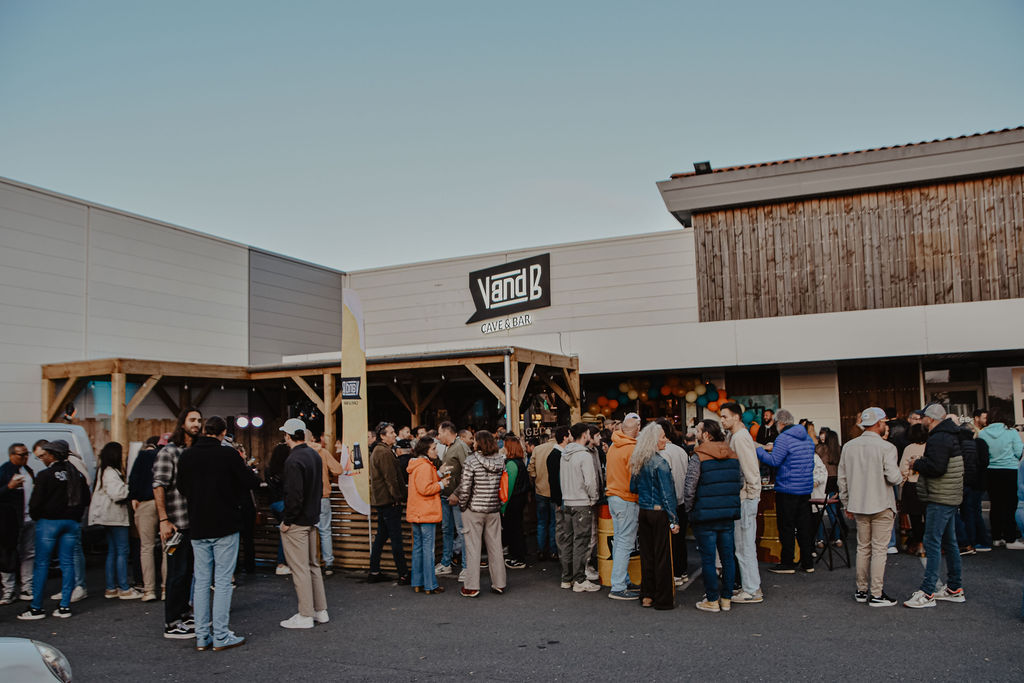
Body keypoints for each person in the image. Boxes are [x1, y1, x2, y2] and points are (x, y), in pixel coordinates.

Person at [176, 416, 258, 650]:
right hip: (225, 523)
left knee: (201, 581)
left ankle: (202, 635)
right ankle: (221, 635)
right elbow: (250, 481)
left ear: (205, 430)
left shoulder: (187, 455)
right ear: (223, 433)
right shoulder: (228, 454)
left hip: (198, 524)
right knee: (222, 582)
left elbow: (181, 487)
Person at [18, 440, 90, 620]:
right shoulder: (76, 474)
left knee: (42, 564)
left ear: (52, 455)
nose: (43, 458)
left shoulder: (45, 475)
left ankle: (36, 607)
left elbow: (35, 503)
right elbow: (86, 499)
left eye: (45, 455)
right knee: (68, 563)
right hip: (71, 522)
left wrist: (37, 516)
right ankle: (64, 606)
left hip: (49, 522)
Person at [837, 407, 902, 607]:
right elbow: (894, 477)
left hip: (858, 504)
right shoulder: (887, 447)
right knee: (879, 550)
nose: (886, 426)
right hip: (882, 503)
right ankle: (876, 593)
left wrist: (846, 503)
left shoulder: (849, 447)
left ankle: (861, 589)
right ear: (879, 423)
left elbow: (842, 479)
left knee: (863, 548)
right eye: (884, 423)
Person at [904, 404, 966, 609]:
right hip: (950, 495)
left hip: (940, 497)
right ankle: (954, 588)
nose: (921, 420)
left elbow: (937, 467)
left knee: (932, 541)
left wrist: (917, 464)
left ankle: (927, 592)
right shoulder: (951, 435)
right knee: (949, 542)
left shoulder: (938, 438)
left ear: (930, 419)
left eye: (923, 417)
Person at [154, 406, 202, 639]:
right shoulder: (169, 452)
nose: (197, 424)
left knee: (188, 571)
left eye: (199, 420)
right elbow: (159, 485)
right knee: (177, 572)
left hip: (194, 521)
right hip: (176, 522)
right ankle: (171, 622)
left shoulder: (194, 452)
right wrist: (164, 519)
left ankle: (183, 613)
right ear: (182, 423)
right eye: (192, 420)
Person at [684, 420, 742, 613]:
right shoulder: (732, 454)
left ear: (706, 435)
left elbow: (690, 487)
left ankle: (712, 599)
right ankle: (726, 598)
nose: (696, 434)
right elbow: (740, 481)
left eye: (698, 431)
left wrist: (689, 510)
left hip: (705, 515)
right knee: (728, 557)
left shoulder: (698, 456)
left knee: (708, 559)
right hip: (727, 513)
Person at [277, 418, 328, 628]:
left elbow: (294, 495)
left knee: (300, 569)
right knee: (313, 565)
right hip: (311, 518)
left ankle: (306, 614)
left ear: (288, 436)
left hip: (297, 522)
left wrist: (287, 521)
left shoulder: (293, 460)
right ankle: (320, 610)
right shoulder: (314, 455)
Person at [756, 409, 816, 573]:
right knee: (804, 527)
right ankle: (808, 563)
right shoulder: (807, 438)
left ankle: (788, 563)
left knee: (786, 526)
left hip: (787, 488)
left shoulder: (783, 438)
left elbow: (775, 461)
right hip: (805, 489)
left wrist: (759, 451)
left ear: (780, 423)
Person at [629, 423, 678, 610]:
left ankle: (647, 595)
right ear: (654, 440)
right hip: (659, 512)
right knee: (662, 556)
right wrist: (674, 520)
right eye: (663, 437)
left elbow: (633, 487)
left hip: (644, 511)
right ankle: (663, 599)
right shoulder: (661, 464)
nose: (665, 440)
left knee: (647, 555)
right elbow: (667, 495)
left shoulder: (639, 460)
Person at [719, 403, 763, 604]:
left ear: (736, 417)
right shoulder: (736, 436)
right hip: (744, 497)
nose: (722, 420)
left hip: (745, 498)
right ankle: (751, 587)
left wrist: (752, 495)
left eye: (725, 416)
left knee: (744, 546)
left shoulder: (740, 437)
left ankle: (752, 589)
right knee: (743, 546)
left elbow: (750, 469)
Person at [89, 442, 143, 600]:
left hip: (108, 517)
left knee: (112, 552)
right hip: (115, 517)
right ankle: (124, 588)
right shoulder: (111, 472)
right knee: (122, 551)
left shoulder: (103, 471)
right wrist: (131, 488)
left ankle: (111, 587)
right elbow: (118, 494)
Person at [457, 430, 507, 597]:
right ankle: (499, 583)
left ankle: (472, 586)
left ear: (479, 443)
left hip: (474, 509)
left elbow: (465, 488)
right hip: (493, 508)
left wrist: (462, 506)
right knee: (495, 547)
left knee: (473, 547)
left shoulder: (471, 461)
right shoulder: (500, 460)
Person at [557, 423, 600, 593]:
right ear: (584, 435)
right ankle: (579, 579)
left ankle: (566, 578)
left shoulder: (564, 454)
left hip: (567, 501)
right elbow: (590, 481)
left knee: (568, 540)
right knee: (581, 542)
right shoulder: (584, 455)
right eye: (588, 433)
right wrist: (593, 497)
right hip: (581, 501)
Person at [605, 413, 641, 600]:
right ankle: (618, 586)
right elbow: (636, 478)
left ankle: (621, 580)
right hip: (627, 498)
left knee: (619, 541)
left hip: (613, 496)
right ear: (637, 429)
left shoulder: (613, 446)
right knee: (625, 543)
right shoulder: (632, 449)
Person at [406, 437, 449, 594]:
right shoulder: (425, 466)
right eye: (433, 448)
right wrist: (442, 484)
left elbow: (422, 483)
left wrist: (438, 474)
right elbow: (425, 488)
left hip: (416, 511)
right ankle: (430, 585)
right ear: (426, 450)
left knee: (418, 548)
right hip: (427, 512)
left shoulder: (416, 464)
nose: (436, 451)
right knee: (428, 550)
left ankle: (417, 582)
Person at [368, 421, 409, 584]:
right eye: (391, 433)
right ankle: (403, 573)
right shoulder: (384, 452)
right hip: (389, 501)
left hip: (383, 501)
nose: (394, 435)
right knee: (395, 538)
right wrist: (397, 498)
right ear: (382, 436)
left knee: (381, 536)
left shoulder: (380, 450)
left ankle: (374, 571)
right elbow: (390, 479)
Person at [978, 410, 1023, 546]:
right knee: (1010, 505)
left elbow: (982, 454)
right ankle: (1010, 538)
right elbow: (1019, 452)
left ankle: (996, 537)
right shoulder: (1011, 432)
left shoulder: (983, 433)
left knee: (996, 504)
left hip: (991, 471)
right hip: (1010, 470)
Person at [128, 436, 164, 601]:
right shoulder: (167, 454)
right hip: (165, 503)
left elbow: (133, 479)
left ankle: (149, 590)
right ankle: (165, 588)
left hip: (146, 503)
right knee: (167, 547)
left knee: (146, 547)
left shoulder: (142, 456)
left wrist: (134, 496)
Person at [655, 419, 689, 586]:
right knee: (680, 539)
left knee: (669, 540)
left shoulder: (663, 453)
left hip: (669, 502)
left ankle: (674, 573)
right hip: (682, 500)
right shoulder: (681, 450)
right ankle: (682, 571)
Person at [1, 443, 34, 605]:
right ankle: (8, 590)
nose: (25, 457)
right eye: (21, 455)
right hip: (9, 520)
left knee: (29, 553)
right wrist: (9, 487)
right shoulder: (4, 471)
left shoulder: (28, 470)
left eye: (27, 454)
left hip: (29, 518)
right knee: (7, 553)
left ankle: (27, 587)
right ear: (11, 455)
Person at [309, 430, 346, 577]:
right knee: (325, 531)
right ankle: (328, 563)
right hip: (322, 495)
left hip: (307, 498)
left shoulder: (297, 453)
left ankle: (311, 562)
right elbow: (338, 469)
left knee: (308, 531)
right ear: (312, 438)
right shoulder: (322, 452)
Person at [436, 422, 469, 577]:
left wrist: (457, 493)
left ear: (446, 432)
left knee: (462, 531)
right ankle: (446, 562)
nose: (438, 437)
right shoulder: (448, 447)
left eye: (439, 433)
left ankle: (467, 566)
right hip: (445, 496)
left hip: (457, 498)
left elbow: (468, 472)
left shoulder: (460, 446)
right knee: (447, 530)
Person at [956, 421, 991, 554]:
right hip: (979, 482)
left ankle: (973, 541)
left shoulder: (962, 444)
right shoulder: (980, 443)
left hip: (969, 482)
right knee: (974, 512)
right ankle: (979, 540)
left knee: (968, 512)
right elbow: (984, 462)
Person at [527, 432, 557, 561]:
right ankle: (553, 551)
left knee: (542, 522)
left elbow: (530, 468)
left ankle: (541, 550)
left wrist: (536, 479)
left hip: (540, 490)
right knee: (554, 523)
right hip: (555, 492)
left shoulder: (538, 449)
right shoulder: (560, 449)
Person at [899, 424, 928, 556]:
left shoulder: (909, 448)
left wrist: (902, 484)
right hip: (927, 485)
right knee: (928, 516)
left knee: (915, 517)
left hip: (912, 485)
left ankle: (919, 545)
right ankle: (929, 544)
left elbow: (903, 469)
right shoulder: (930, 446)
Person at [501, 435, 529, 569]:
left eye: (505, 446)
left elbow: (508, 488)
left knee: (514, 530)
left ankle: (518, 558)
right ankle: (519, 556)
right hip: (520, 500)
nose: (503, 449)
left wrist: (503, 507)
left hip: (513, 502)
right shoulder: (520, 462)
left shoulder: (511, 464)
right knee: (517, 529)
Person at [545, 426, 572, 565]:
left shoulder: (562, 454)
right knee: (561, 529)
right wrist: (558, 501)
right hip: (560, 499)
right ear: (565, 438)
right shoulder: (555, 456)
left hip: (563, 498)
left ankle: (566, 559)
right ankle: (564, 560)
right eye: (570, 434)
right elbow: (554, 481)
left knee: (564, 529)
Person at [265, 441, 291, 575]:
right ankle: (281, 563)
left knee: (284, 532)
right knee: (286, 533)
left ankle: (282, 563)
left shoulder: (269, 470)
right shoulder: (287, 469)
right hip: (283, 502)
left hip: (272, 503)